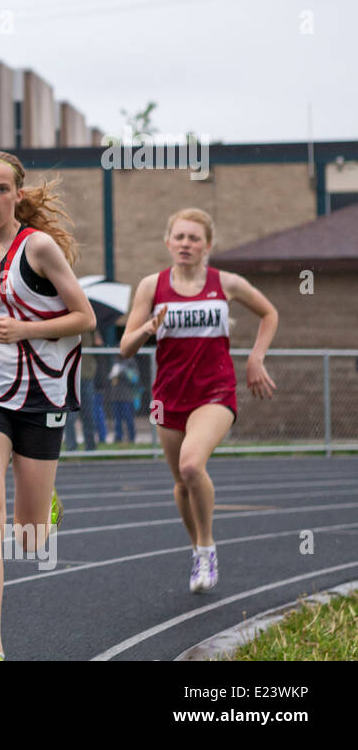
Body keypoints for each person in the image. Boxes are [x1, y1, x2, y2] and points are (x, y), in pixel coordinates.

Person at [0, 150, 96, 661]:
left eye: (1, 189)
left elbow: (85, 317)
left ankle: (44, 509)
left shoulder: (39, 249)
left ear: (18, 195)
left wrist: (25, 329)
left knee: (30, 539)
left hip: (41, 395)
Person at [119, 208, 278, 593]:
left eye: (194, 238)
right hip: (168, 395)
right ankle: (196, 550)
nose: (186, 244)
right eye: (180, 237)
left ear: (207, 245)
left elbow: (269, 312)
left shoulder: (227, 283)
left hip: (215, 392)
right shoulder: (151, 287)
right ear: (168, 242)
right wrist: (148, 328)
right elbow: (125, 347)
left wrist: (256, 357)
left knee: (192, 466)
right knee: (180, 482)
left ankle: (207, 549)